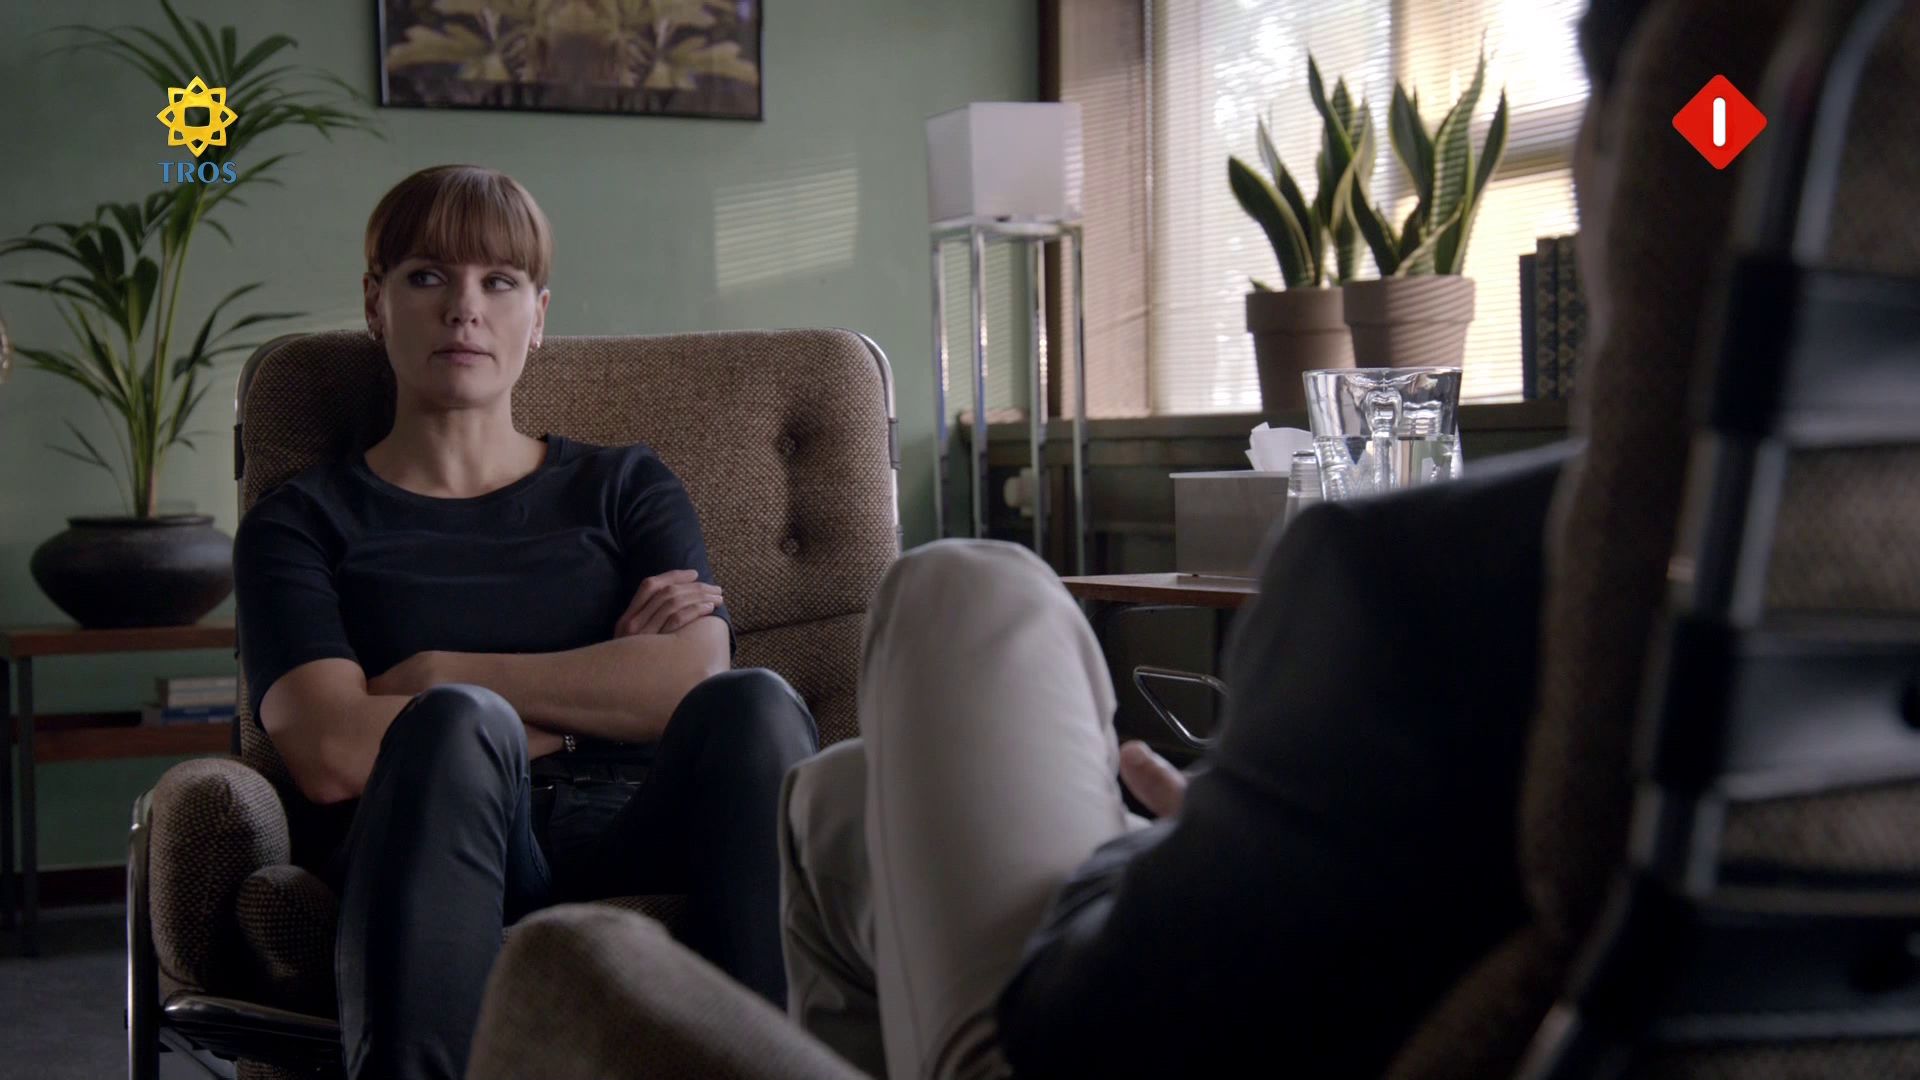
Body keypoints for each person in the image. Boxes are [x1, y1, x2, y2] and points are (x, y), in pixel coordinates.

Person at [774, 2, 1663, 1077]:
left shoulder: (1407, 580)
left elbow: (1090, 1012)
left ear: (1619, 170)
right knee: (841, 801)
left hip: (1117, 1046)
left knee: (964, 586)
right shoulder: (1802, 577)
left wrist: (1181, 849)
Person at [232, 164, 817, 1080]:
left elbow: (693, 682)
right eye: (428, 275)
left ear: (537, 316)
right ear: (377, 304)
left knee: (758, 706)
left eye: (499, 281)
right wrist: (585, 694)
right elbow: (333, 753)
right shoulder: (301, 522)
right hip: (447, 831)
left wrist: (433, 672)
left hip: (642, 823)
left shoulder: (626, 486)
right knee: (458, 728)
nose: (465, 308)